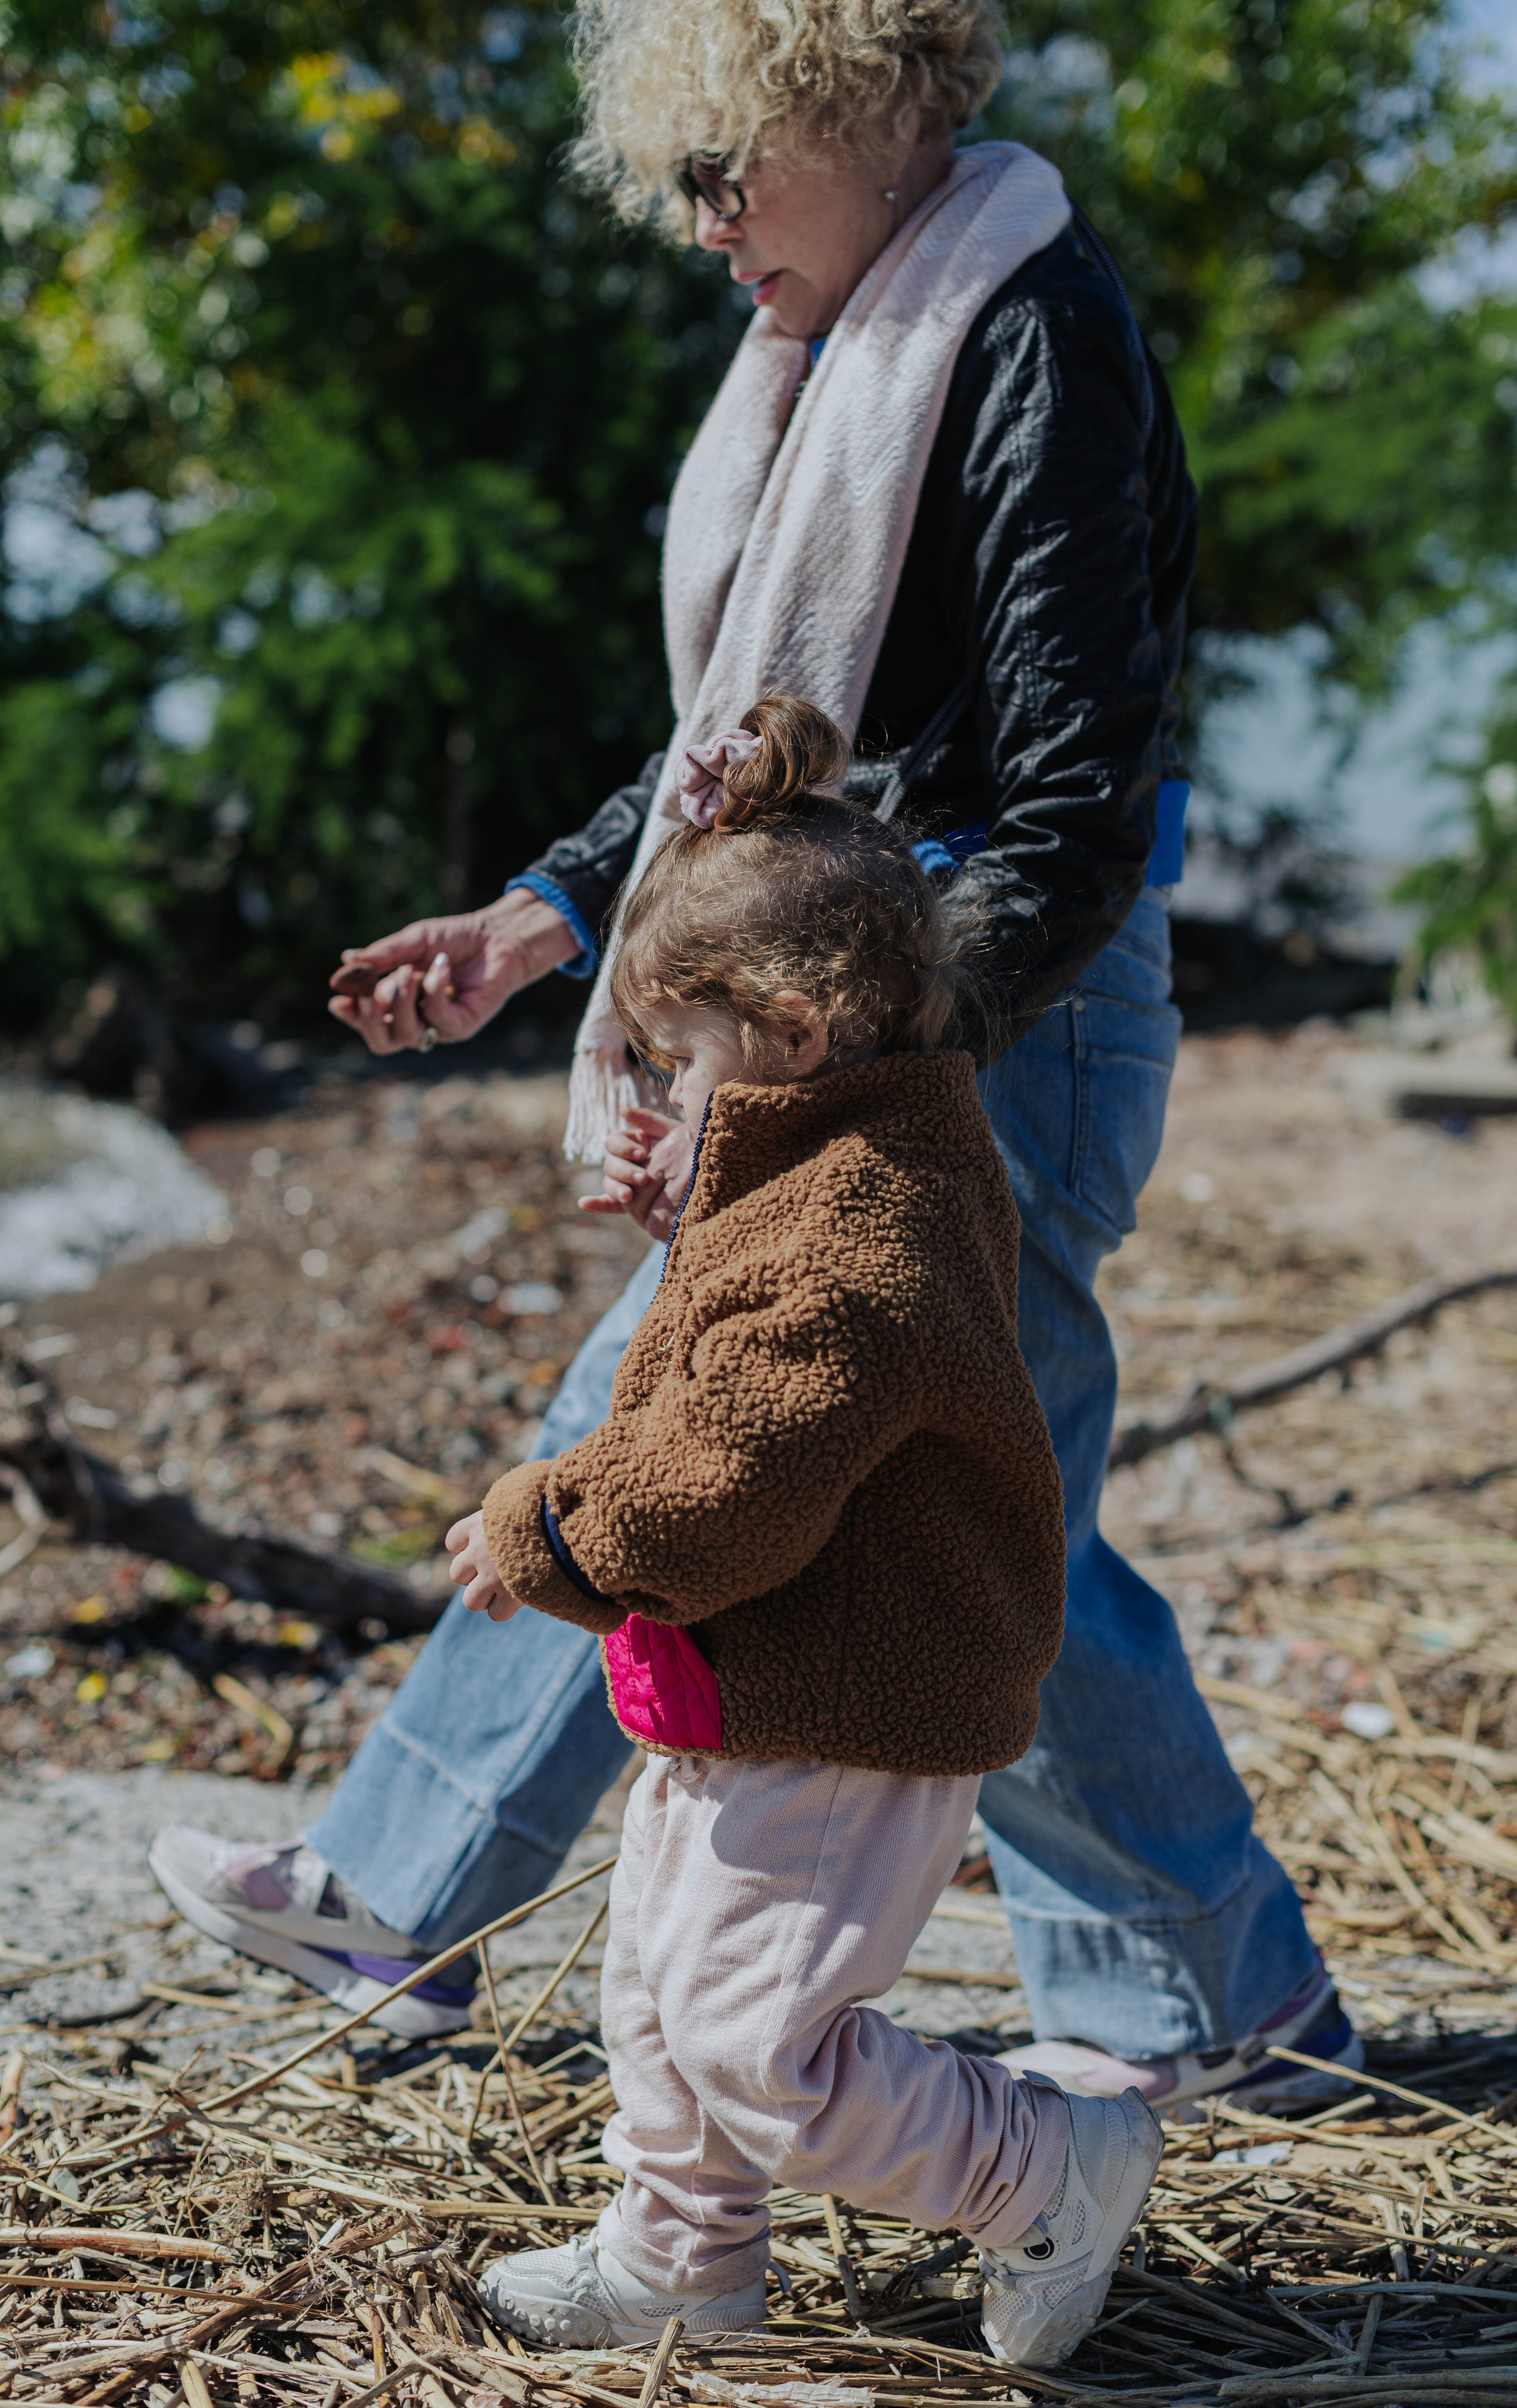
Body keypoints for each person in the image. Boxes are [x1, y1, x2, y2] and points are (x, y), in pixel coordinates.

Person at [152, 0, 1359, 2115]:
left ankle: (406, 1892)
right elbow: (761, 747)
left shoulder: (1025, 337)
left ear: (860, 104)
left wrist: (840, 1067)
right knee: (984, 1507)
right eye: (682, 180)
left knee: (739, 1429)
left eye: (727, 169)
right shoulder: (842, 364)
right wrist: (539, 921)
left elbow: (1073, 802)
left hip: (998, 1009)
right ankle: (1215, 1996)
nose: (704, 228)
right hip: (900, 981)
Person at [447, 694, 1162, 2369]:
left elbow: (721, 1490)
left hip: (858, 1695)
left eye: (682, 1056)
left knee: (757, 2036)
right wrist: (689, 1187)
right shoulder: (844, 1152)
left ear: (779, 1029)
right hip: (764, 1679)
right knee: (656, 1981)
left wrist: (541, 1525)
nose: (677, 1089)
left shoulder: (858, 1230)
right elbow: (739, 1341)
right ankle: (675, 2262)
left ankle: (1047, 2160)